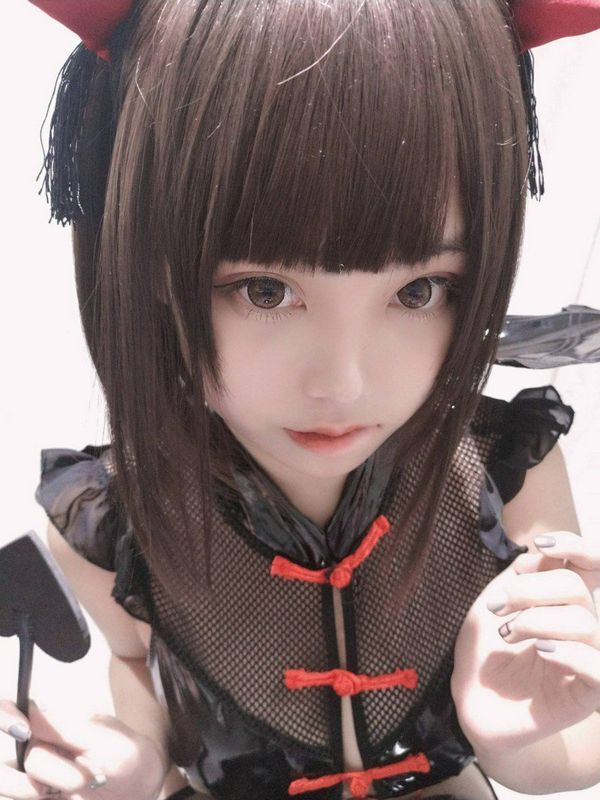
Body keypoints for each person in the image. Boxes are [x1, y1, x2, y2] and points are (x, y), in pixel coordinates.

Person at [2, 1, 600, 799]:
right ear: (151, 265)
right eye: (264, 290)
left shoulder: (503, 470)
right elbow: (136, 668)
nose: (344, 383)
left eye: (420, 290)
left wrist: (515, 740)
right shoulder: (110, 517)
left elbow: (568, 740)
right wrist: (135, 770)